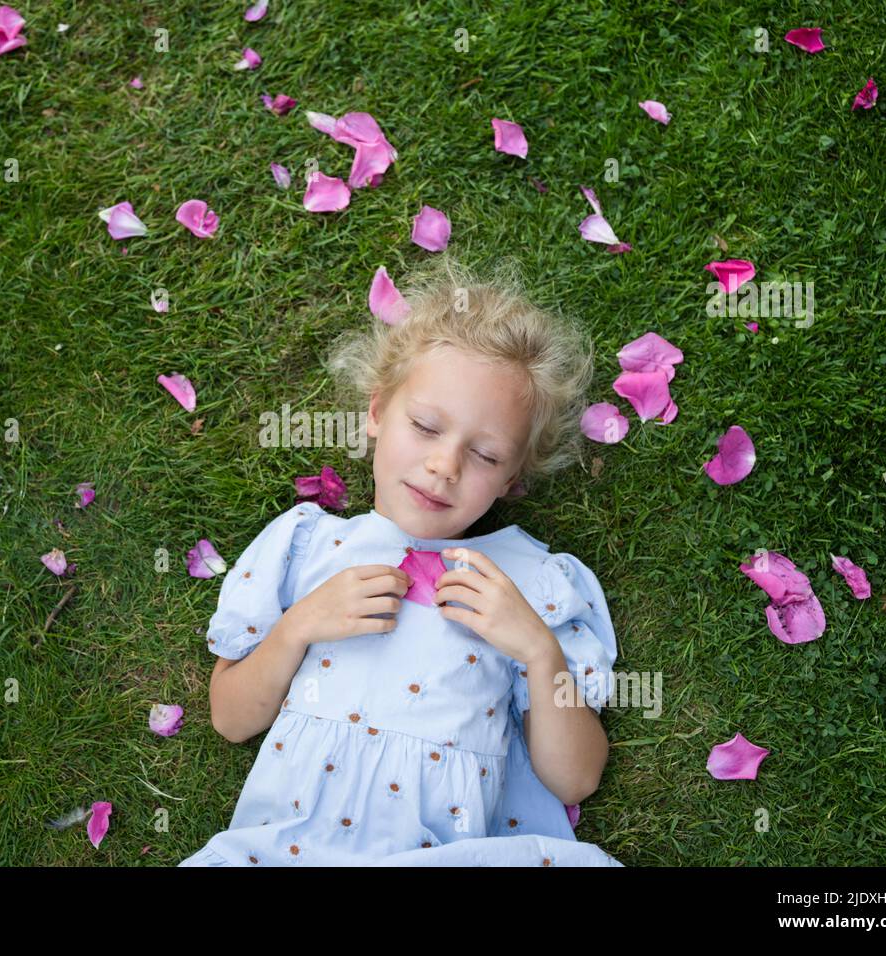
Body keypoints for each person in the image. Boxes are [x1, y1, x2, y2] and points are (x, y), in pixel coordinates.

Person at [180, 257, 623, 866]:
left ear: (513, 478)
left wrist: (538, 652)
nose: (445, 466)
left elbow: (576, 780)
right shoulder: (307, 545)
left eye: (487, 455)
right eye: (424, 426)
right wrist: (299, 625)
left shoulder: (534, 584)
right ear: (378, 411)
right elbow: (231, 719)